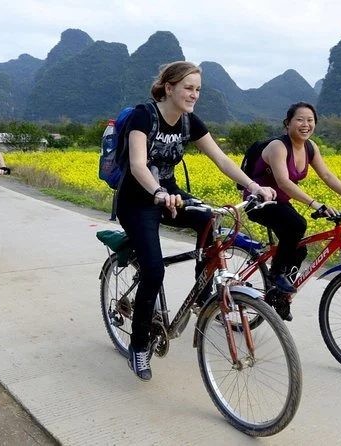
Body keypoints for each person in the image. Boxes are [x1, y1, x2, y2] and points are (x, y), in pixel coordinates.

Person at [116, 61, 276, 381]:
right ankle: (139, 344)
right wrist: (158, 192)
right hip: (138, 200)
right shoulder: (143, 116)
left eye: (198, 89)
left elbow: (221, 159)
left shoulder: (190, 122)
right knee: (154, 270)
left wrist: (254, 186)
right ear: (169, 87)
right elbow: (137, 165)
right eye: (188, 88)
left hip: (171, 195)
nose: (194, 94)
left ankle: (204, 295)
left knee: (209, 221)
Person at [244, 101, 341, 321]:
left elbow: (327, 176)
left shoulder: (310, 147)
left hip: (281, 203)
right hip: (260, 202)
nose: (305, 124)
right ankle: (276, 274)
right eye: (299, 119)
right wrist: (315, 204)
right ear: (288, 123)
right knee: (298, 225)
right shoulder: (278, 147)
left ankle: (280, 295)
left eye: (310, 120)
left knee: (299, 249)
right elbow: (283, 182)